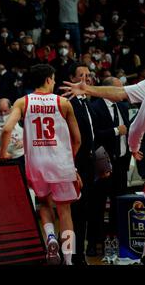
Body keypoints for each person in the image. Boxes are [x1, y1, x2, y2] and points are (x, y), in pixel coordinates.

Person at [0, 64, 82, 265]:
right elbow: (77, 139)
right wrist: (71, 165)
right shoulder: (63, 103)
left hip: (36, 164)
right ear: (47, 80)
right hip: (61, 164)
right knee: (64, 211)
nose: (54, 82)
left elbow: (7, 129)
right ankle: (68, 260)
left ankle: (51, 238)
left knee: (44, 204)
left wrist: (2, 153)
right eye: (53, 79)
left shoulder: (22, 102)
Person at [61, 71, 145, 265]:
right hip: (94, 164)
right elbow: (93, 138)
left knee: (106, 209)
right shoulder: (88, 106)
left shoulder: (124, 103)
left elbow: (136, 125)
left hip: (118, 163)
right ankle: (80, 251)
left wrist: (133, 146)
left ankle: (79, 254)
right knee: (92, 209)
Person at [87, 77, 130, 256]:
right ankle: (93, 242)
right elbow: (93, 135)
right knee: (97, 205)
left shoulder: (123, 107)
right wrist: (115, 131)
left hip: (121, 162)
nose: (122, 93)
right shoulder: (94, 106)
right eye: (119, 89)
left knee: (117, 204)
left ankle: (114, 239)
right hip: (102, 161)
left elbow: (129, 130)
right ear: (109, 90)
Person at [67, 63, 98, 265]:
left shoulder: (87, 102)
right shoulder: (67, 102)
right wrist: (72, 166)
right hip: (74, 165)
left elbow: (92, 136)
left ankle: (80, 254)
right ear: (72, 79)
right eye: (81, 75)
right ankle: (72, 256)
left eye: (88, 75)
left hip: (90, 164)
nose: (85, 78)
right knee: (74, 213)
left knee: (85, 212)